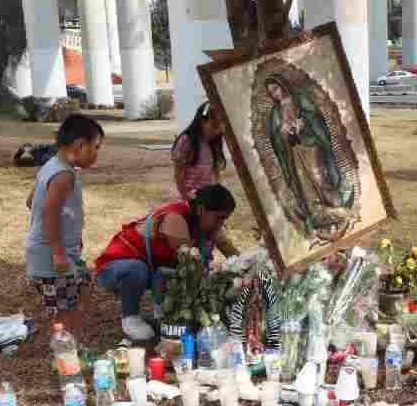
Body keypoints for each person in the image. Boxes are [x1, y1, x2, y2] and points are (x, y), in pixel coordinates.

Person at [94, 184, 240, 341]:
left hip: (152, 270)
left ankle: (162, 316)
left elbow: (232, 253)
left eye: (224, 218)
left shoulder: (207, 222)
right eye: (218, 217)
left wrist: (244, 265)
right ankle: (130, 317)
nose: (221, 223)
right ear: (201, 209)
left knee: (174, 272)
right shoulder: (175, 218)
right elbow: (191, 264)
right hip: (114, 269)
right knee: (141, 269)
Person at [24, 114, 104, 339]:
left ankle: (73, 342)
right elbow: (49, 214)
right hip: (52, 258)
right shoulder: (63, 175)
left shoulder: (51, 166)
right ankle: (67, 352)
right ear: (80, 145)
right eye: (96, 147)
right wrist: (58, 252)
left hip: (60, 254)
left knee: (83, 285)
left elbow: (30, 201)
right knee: (63, 312)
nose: (97, 154)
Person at [263, 73, 356, 238]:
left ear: (283, 85)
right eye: (271, 92)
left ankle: (337, 207)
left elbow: (315, 116)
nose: (275, 94)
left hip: (310, 145)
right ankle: (319, 214)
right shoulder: (276, 113)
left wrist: (304, 122)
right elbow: (275, 137)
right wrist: (282, 132)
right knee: (304, 183)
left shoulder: (299, 99)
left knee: (319, 176)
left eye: (276, 89)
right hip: (293, 151)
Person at [172, 101, 227, 201]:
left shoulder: (213, 144)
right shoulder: (186, 141)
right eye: (215, 126)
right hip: (192, 199)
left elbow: (215, 173)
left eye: (220, 128)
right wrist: (187, 198)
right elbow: (178, 174)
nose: (217, 132)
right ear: (202, 121)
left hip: (209, 199)